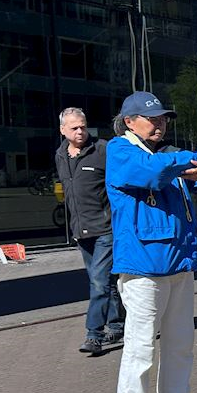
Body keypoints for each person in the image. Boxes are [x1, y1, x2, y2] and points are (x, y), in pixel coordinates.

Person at [106, 91, 197, 393]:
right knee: (140, 347)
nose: (160, 124)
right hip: (143, 268)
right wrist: (194, 159)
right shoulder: (120, 150)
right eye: (152, 119)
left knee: (180, 342)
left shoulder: (168, 155)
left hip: (179, 262)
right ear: (129, 122)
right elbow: (151, 174)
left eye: (162, 118)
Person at [54, 107, 124, 356]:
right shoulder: (60, 155)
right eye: (74, 127)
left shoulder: (102, 150)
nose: (80, 131)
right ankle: (117, 324)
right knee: (107, 282)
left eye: (83, 126)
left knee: (98, 282)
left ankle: (94, 335)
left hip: (105, 229)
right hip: (81, 232)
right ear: (63, 130)